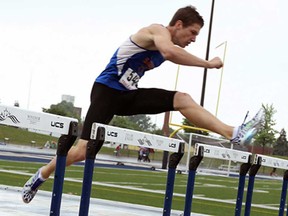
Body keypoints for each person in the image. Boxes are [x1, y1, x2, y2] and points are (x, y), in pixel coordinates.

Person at [22, 5, 264, 203]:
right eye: (192, 33)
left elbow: (168, 54)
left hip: (128, 95)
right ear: (178, 24)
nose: (193, 39)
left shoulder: (166, 42)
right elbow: (169, 52)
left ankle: (233, 133)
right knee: (81, 151)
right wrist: (208, 64)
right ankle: (41, 175)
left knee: (183, 99)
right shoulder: (156, 31)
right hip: (106, 91)